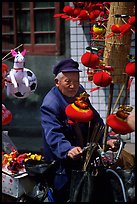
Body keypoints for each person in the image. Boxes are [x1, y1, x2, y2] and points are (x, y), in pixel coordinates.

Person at [40, 58, 117, 202]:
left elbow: (95, 119)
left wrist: (106, 139)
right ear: (57, 82)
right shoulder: (51, 104)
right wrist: (67, 149)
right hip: (63, 165)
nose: (73, 86)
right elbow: (53, 134)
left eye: (76, 81)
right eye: (68, 82)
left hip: (85, 158)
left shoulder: (79, 93)